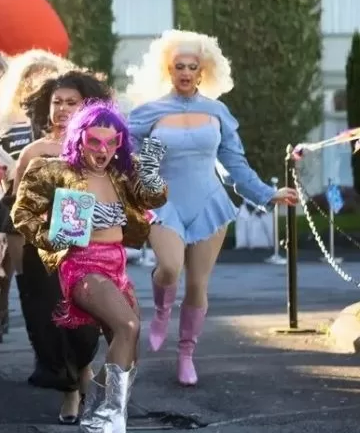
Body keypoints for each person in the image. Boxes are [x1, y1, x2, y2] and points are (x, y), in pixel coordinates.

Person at [125, 30, 298, 386]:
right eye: (179, 66)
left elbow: (235, 165)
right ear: (168, 70)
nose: (186, 72)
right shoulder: (150, 112)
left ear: (203, 71)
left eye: (192, 66)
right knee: (170, 268)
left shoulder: (217, 111)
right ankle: (160, 312)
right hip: (165, 203)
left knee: (198, 284)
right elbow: (129, 156)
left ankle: (186, 354)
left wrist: (266, 193)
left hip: (208, 203)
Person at [12, 100, 167, 433]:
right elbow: (22, 212)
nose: (103, 151)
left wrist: (152, 172)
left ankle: (94, 417)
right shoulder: (53, 169)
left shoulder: (122, 173)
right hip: (82, 264)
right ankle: (113, 418)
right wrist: (53, 235)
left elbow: (154, 198)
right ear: (80, 137)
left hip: (117, 265)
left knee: (127, 345)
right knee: (128, 325)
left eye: (111, 143)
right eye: (95, 142)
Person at [15, 70, 111, 423]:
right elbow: (15, 205)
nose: (63, 109)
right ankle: (70, 390)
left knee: (86, 325)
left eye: (72, 102)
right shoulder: (34, 151)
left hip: (89, 249)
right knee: (52, 321)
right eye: (57, 102)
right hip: (42, 251)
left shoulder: (101, 147)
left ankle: (84, 369)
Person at [0, 49, 74, 343]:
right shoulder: (7, 120)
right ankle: (2, 309)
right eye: (32, 75)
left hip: (58, 208)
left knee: (54, 276)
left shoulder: (61, 119)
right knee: (13, 270)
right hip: (15, 200)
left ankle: (56, 335)